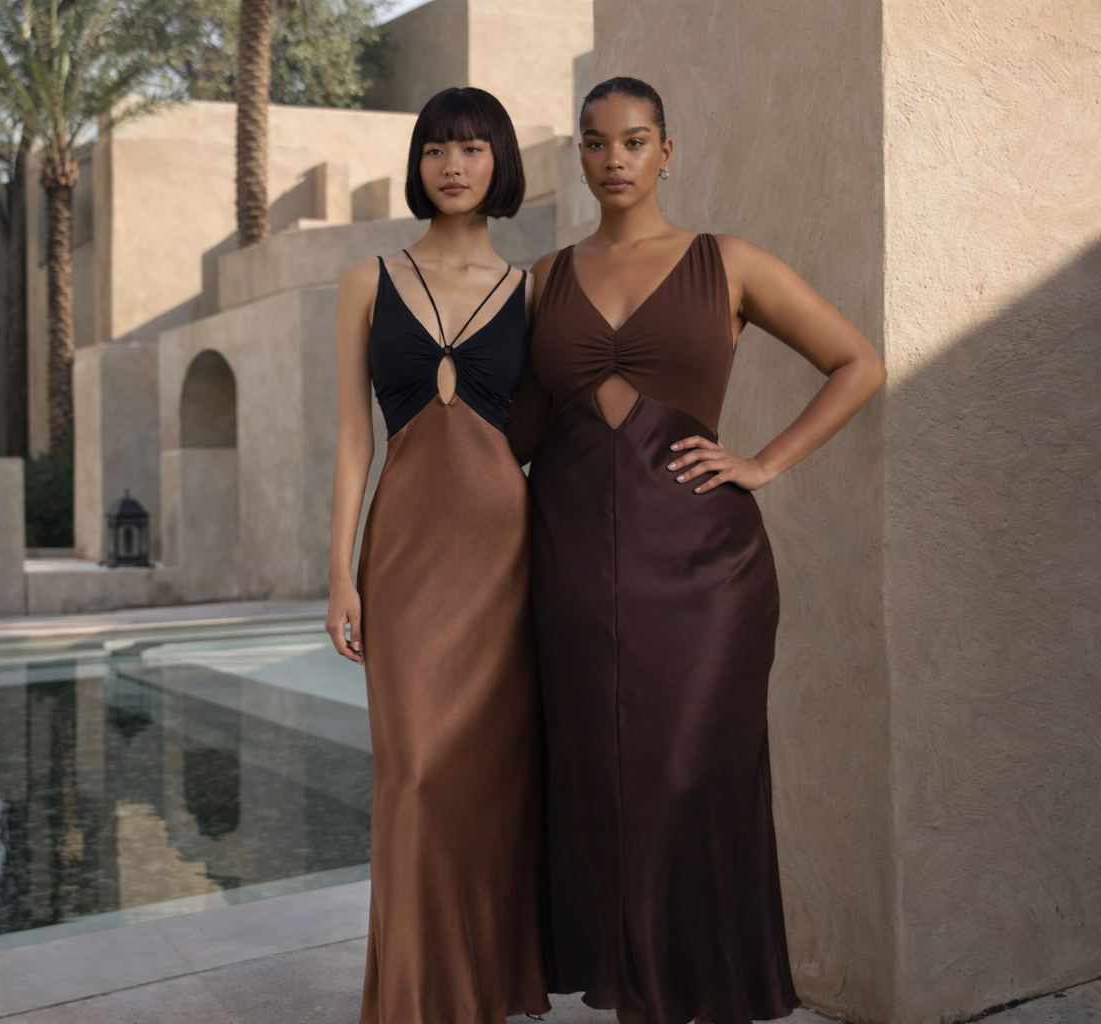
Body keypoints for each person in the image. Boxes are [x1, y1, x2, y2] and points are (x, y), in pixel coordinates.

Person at [510, 77, 887, 1024]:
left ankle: (699, 995)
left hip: (704, 572)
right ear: (582, 158)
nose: (615, 160)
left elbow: (858, 363)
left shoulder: (728, 263)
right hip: (570, 573)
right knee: (600, 780)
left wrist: (763, 462)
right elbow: (511, 432)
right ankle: (638, 999)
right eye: (596, 144)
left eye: (635, 141)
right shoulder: (543, 281)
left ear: (667, 152)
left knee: (686, 777)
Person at [324, 86, 550, 1024]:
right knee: (412, 773)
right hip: (405, 558)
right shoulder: (367, 279)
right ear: (418, 167)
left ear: (500, 164)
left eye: (473, 148)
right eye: (435, 150)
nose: (453, 165)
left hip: (505, 560)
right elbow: (350, 441)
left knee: (486, 785)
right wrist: (339, 570)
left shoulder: (536, 289)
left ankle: (476, 997)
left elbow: (559, 433)